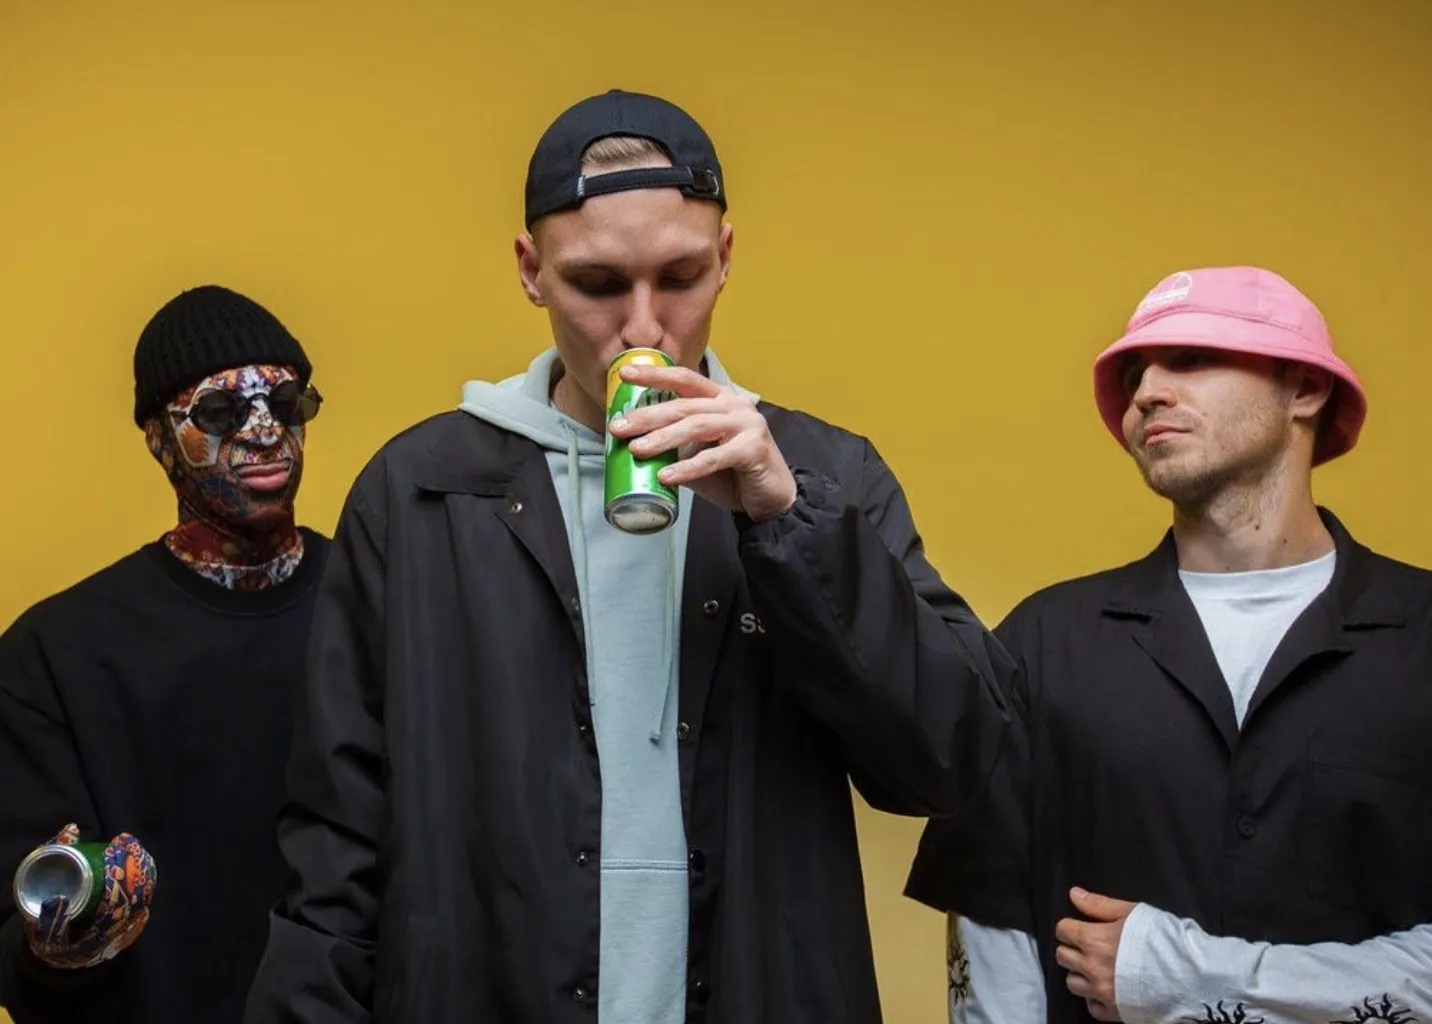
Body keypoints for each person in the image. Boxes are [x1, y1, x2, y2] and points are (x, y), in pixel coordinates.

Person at [242, 88, 1013, 1024]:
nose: (644, 328)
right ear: (531, 272)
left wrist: (786, 521)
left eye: (680, 277)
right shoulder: (421, 491)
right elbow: (335, 836)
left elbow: (948, 761)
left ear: (726, 258)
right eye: (598, 285)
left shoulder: (822, 474)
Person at [907, 266, 1432, 1024]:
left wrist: (1185, 975)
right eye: (1133, 375)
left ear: (1305, 388)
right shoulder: (1045, 643)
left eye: (1190, 359)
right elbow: (992, 935)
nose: (1146, 392)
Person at [0, 285, 330, 1022]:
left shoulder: (379, 608)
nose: (263, 431)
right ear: (157, 438)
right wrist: (66, 941)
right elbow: (18, 952)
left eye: (284, 403)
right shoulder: (53, 655)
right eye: (219, 412)